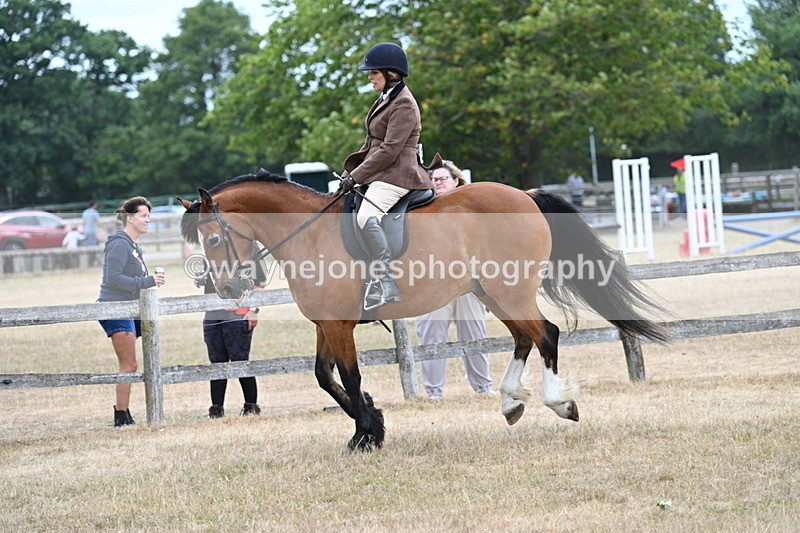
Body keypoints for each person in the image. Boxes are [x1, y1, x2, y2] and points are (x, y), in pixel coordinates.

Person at [339, 42, 440, 310]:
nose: (369, 77)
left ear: (390, 74)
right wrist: (351, 174)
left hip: (399, 174)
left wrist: (358, 174)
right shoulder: (386, 99)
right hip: (383, 172)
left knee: (365, 216)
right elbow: (371, 142)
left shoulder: (404, 104)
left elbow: (389, 149)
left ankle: (386, 281)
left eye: (374, 73)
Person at [415, 160, 495, 399]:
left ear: (456, 181)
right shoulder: (422, 210)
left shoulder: (471, 211)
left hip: (468, 283)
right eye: (433, 179)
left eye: (442, 178)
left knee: (474, 333)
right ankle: (434, 392)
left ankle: (483, 388)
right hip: (433, 282)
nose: (436, 182)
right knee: (431, 334)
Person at [97, 196, 165, 427]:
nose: (148, 220)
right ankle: (121, 415)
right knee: (129, 364)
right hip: (115, 306)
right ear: (130, 218)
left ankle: (124, 414)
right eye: (143, 216)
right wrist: (147, 281)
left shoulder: (134, 245)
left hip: (131, 307)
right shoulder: (119, 243)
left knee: (135, 362)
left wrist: (149, 281)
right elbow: (113, 279)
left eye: (149, 216)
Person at [199, 246, 265, 419]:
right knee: (216, 362)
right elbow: (210, 279)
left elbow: (260, 282)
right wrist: (203, 278)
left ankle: (251, 406)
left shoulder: (250, 248)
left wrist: (253, 310)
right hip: (213, 313)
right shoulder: (213, 245)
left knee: (240, 361)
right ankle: (216, 409)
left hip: (238, 314)